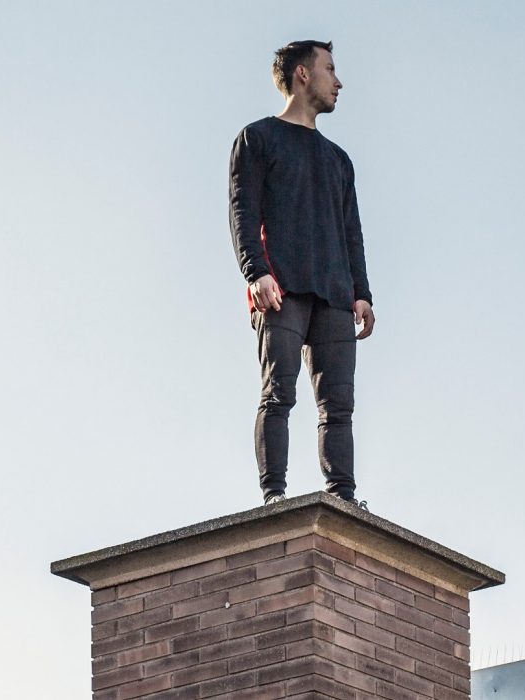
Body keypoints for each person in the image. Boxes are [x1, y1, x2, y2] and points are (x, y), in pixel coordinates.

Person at [229, 40, 375, 507]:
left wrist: (362, 293)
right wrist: (256, 272)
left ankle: (344, 500)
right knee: (278, 394)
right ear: (303, 74)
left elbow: (351, 231)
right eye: (330, 69)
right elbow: (243, 212)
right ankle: (274, 497)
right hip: (281, 288)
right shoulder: (257, 138)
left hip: (335, 295)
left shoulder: (339, 160)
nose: (339, 81)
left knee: (339, 407)